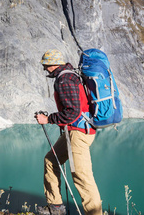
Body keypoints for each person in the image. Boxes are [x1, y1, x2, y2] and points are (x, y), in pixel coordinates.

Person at [35, 49, 102, 215]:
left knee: (82, 177)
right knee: (50, 160)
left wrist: (48, 119)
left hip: (78, 133)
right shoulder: (69, 75)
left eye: (45, 65)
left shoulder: (65, 79)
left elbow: (72, 112)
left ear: (52, 64)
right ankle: (55, 206)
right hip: (73, 131)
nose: (45, 69)